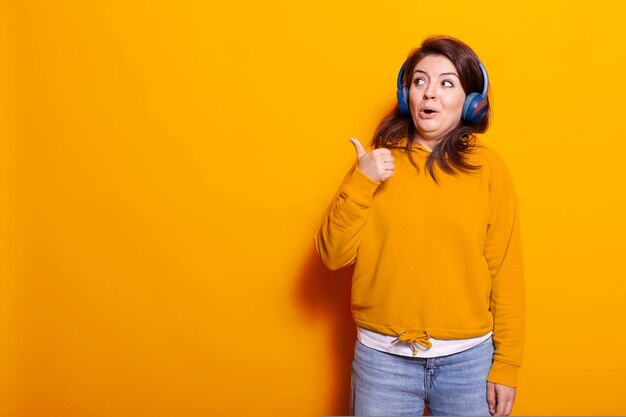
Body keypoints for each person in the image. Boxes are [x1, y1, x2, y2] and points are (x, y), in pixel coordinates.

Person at [314, 35, 525, 416]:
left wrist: (507, 364)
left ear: (472, 103)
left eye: (447, 83)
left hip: (469, 363)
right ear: (405, 94)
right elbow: (332, 256)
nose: (430, 93)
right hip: (382, 363)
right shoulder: (375, 165)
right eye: (420, 81)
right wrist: (362, 181)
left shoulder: (489, 169)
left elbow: (505, 272)